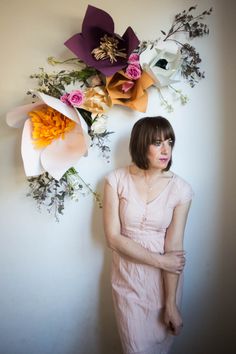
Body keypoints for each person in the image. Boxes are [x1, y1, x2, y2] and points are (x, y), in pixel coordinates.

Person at [103, 116, 193, 354]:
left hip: (164, 284)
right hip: (128, 279)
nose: (166, 150)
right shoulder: (116, 180)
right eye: (157, 143)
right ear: (141, 145)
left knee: (161, 348)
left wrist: (171, 304)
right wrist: (161, 260)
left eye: (169, 142)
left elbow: (174, 248)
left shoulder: (181, 189)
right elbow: (113, 238)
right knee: (134, 349)